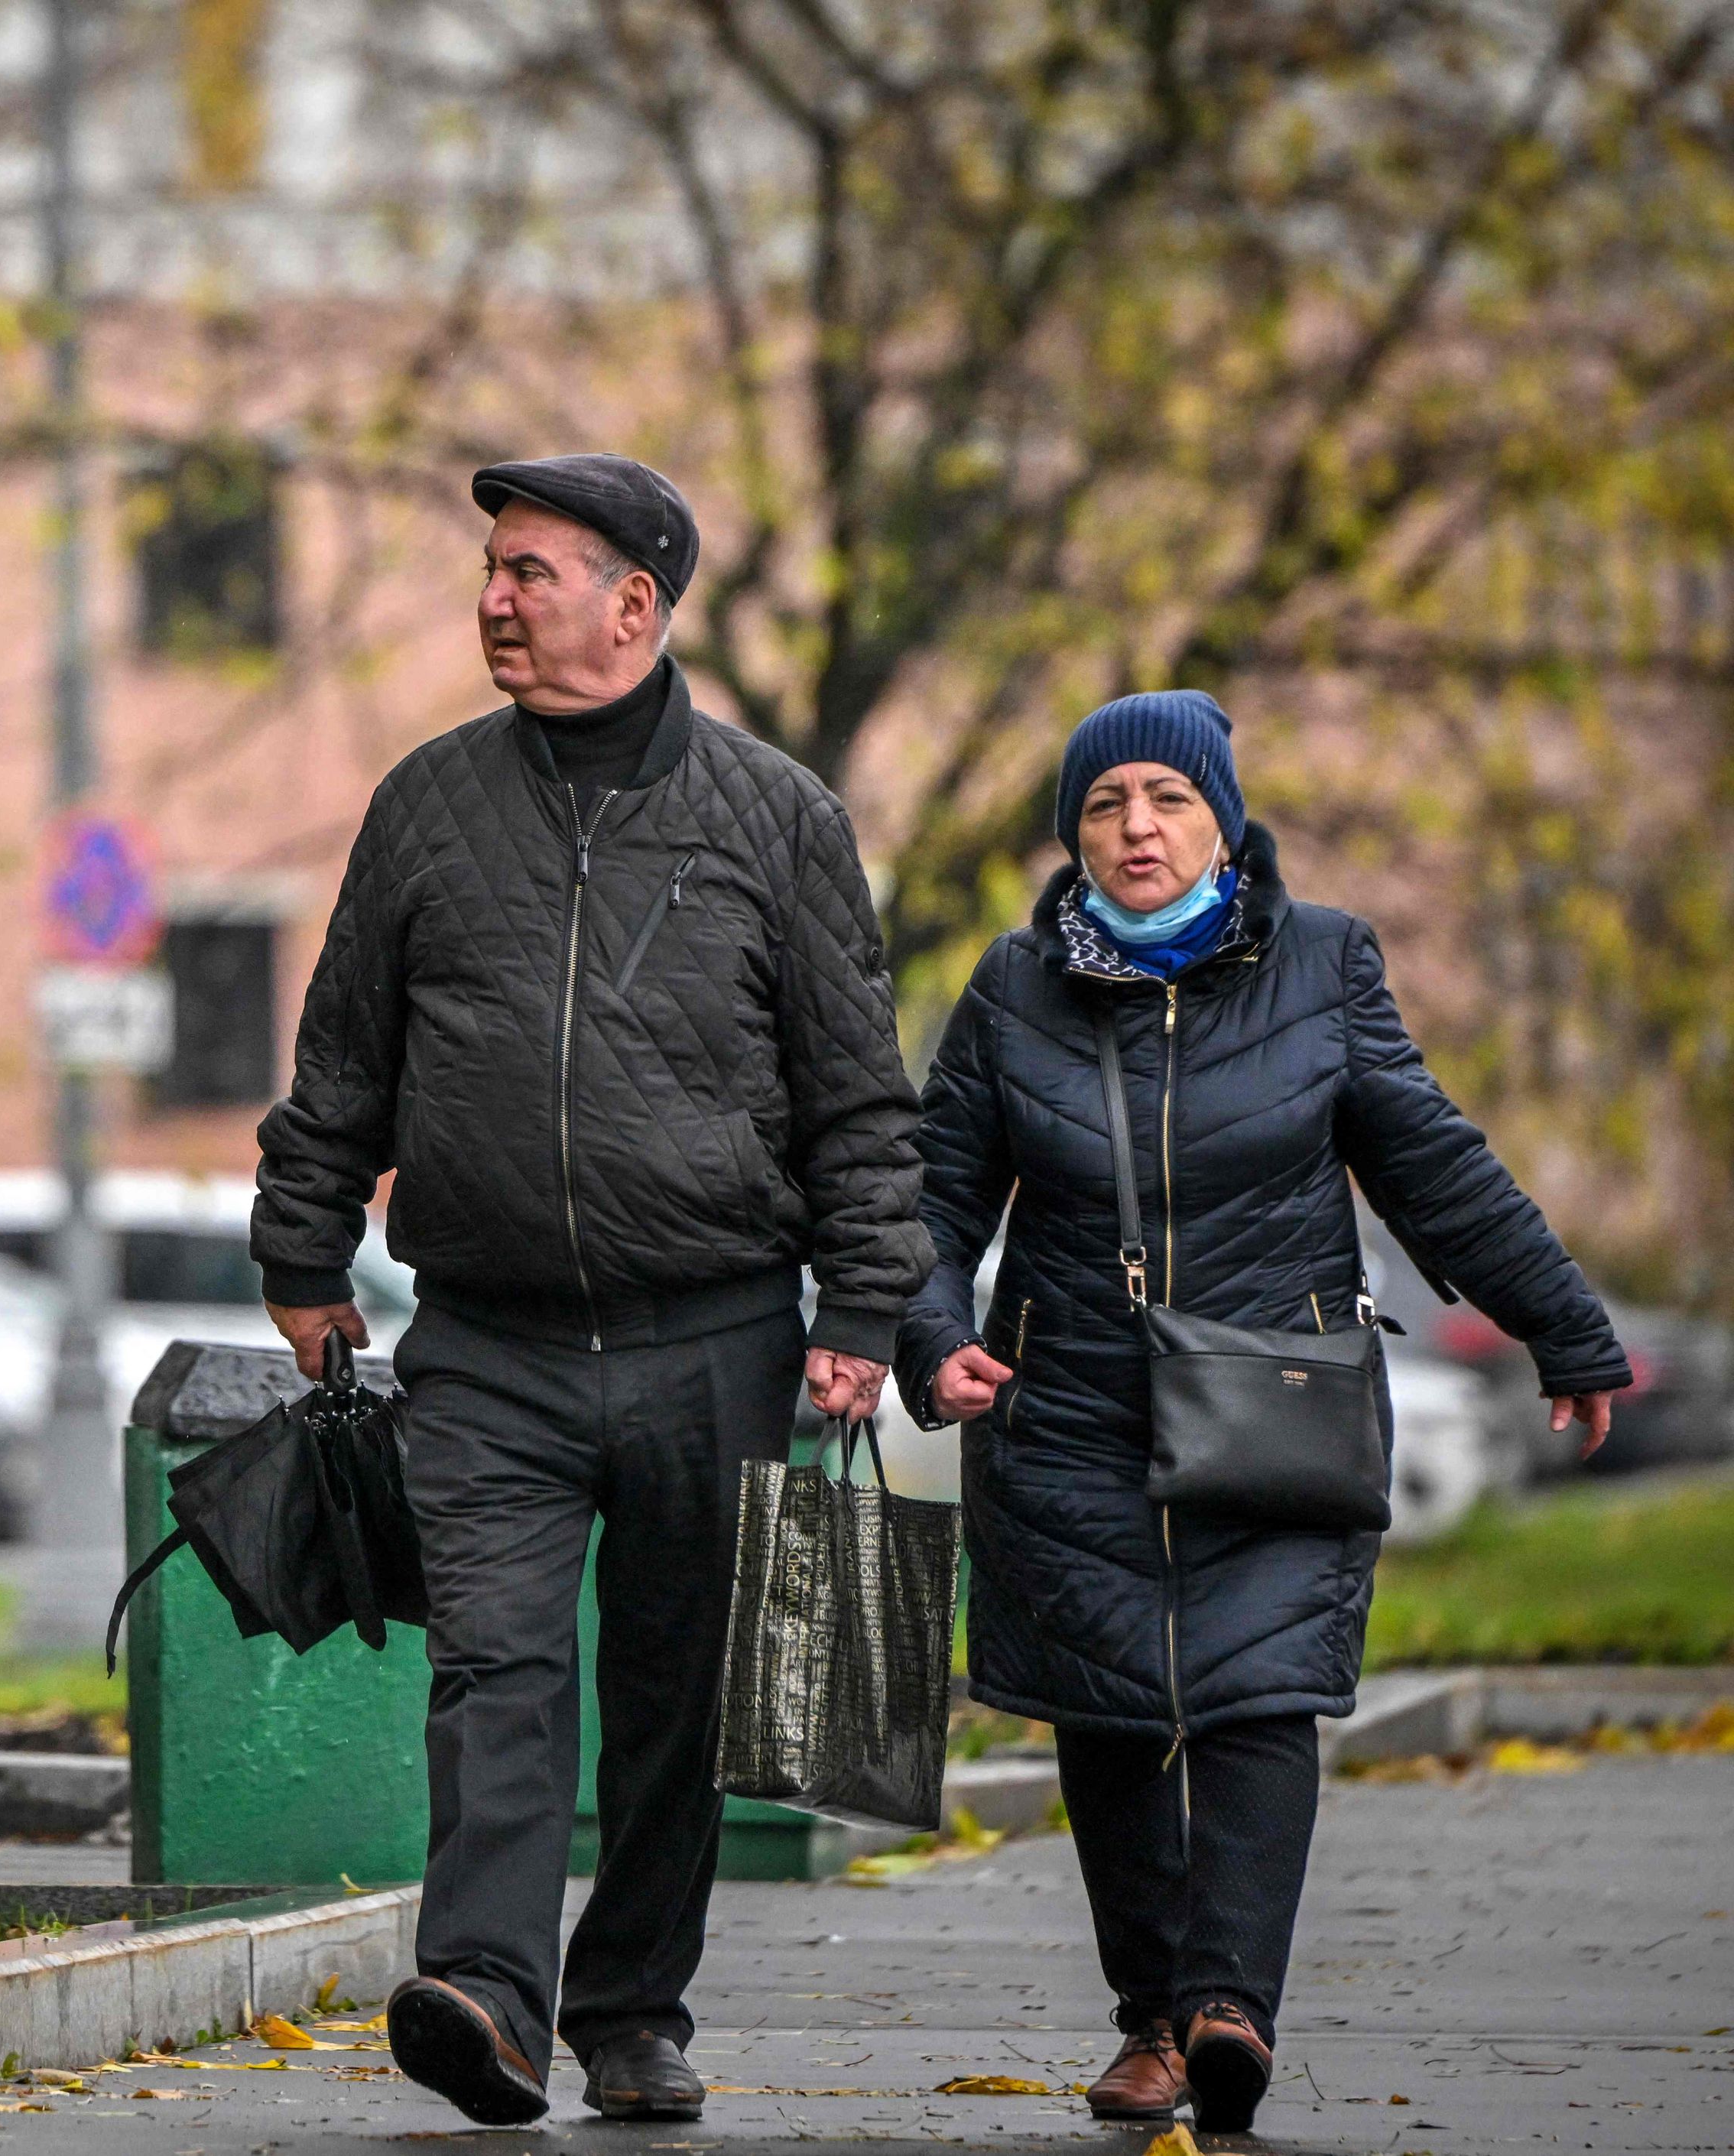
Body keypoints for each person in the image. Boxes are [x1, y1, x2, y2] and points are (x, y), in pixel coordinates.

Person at [253, 453, 933, 2125]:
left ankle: (630, 2006)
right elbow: (342, 1050)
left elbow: (855, 1092)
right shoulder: (424, 804)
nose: (493, 597)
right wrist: (300, 1249)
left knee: (673, 1691)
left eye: (529, 572)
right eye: (490, 569)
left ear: (633, 604)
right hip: (484, 1340)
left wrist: (860, 1312)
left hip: (715, 1329)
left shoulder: (775, 817)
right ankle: (483, 1990)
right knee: (494, 1665)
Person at [896, 691, 1628, 2135]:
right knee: (1105, 1715)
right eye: (1105, 806)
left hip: (1274, 1400)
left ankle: (1231, 2007)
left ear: (1223, 821)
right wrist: (931, 1334)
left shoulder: (1324, 965)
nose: (1137, 828)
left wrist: (1567, 1332)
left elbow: (1435, 1170)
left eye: (1168, 799)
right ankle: (1152, 2024)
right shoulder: (1009, 986)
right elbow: (928, 1200)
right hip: (1071, 1408)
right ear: (1074, 836)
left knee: (1256, 1696)